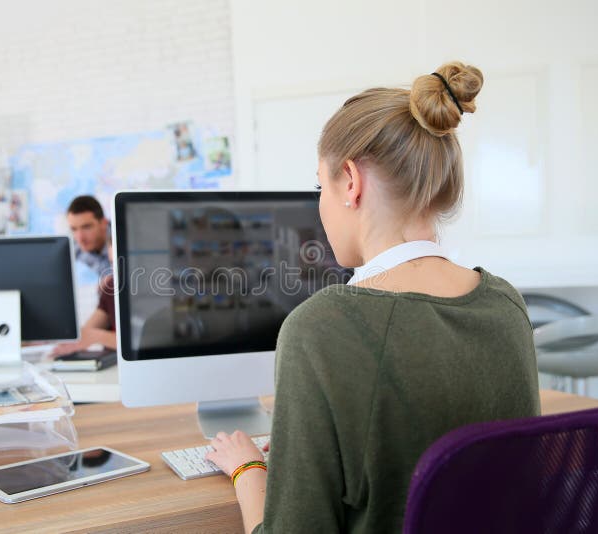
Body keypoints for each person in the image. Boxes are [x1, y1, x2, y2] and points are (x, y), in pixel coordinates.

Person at [206, 61, 540, 533]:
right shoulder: (505, 304)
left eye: (320, 186)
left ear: (350, 182)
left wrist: (247, 471)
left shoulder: (320, 328)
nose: (319, 203)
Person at [66, 195, 111, 277]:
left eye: (86, 227)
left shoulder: (125, 242)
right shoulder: (71, 250)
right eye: (74, 229)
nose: (80, 238)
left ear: (104, 223)